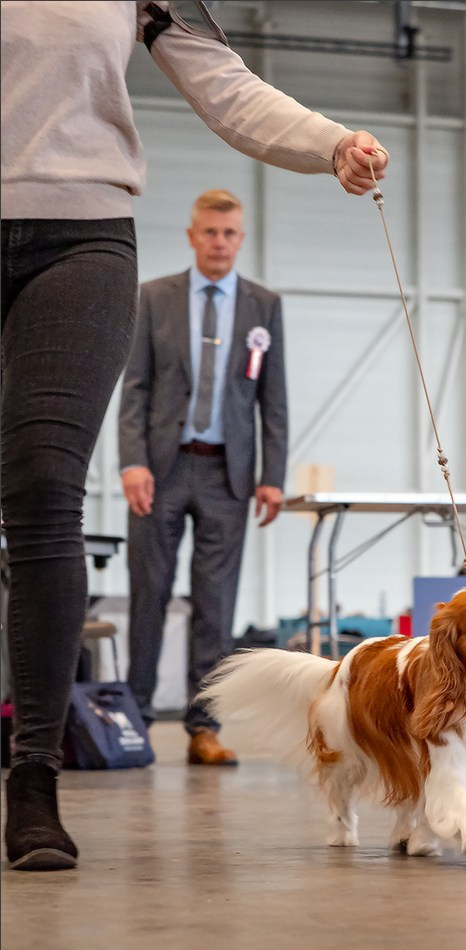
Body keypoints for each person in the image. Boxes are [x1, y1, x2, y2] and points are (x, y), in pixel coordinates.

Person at [1, 0, 389, 871]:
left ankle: (32, 777)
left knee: (41, 487)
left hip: (82, 235)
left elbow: (224, 86)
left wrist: (330, 142)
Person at [119, 188, 284, 767]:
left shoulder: (263, 306)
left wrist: (272, 476)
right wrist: (131, 462)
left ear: (241, 238)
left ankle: (203, 727)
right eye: (210, 232)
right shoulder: (152, 298)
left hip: (228, 476)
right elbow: (134, 389)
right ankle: (135, 722)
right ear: (192, 236)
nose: (219, 243)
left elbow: (273, 399)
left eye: (230, 233)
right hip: (159, 472)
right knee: (150, 597)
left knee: (217, 607)